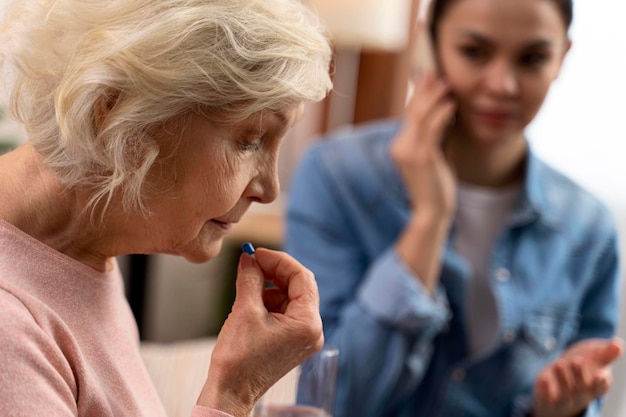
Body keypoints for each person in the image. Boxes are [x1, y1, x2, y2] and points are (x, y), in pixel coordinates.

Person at [285, 0, 624, 416]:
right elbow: (331, 398)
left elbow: (588, 396)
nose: (503, 84)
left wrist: (560, 410)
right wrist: (428, 220)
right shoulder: (337, 176)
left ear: (562, 59)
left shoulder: (589, 228)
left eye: (532, 58)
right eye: (475, 52)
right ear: (430, 45)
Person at [0, 0, 332, 416]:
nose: (269, 189)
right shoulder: (8, 328)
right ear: (118, 114)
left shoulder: (80, 254)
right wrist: (232, 395)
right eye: (250, 140)